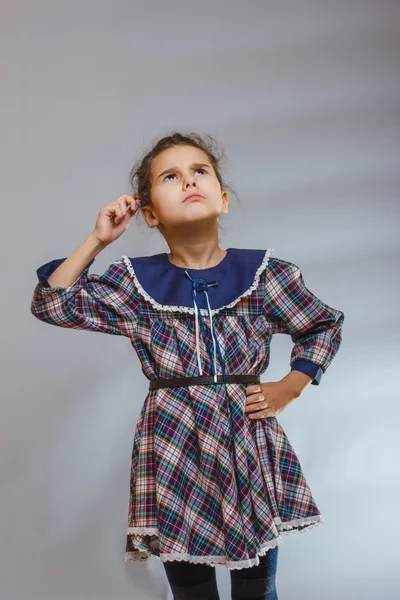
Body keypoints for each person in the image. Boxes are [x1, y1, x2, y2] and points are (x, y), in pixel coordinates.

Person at [30, 132, 345, 600]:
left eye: (200, 171)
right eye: (170, 176)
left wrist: (291, 386)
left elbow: (322, 324)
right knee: (192, 592)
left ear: (221, 198)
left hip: (246, 436)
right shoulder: (135, 284)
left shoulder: (265, 275)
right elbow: (53, 304)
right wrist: (97, 240)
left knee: (257, 590)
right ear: (150, 213)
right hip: (173, 440)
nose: (188, 181)